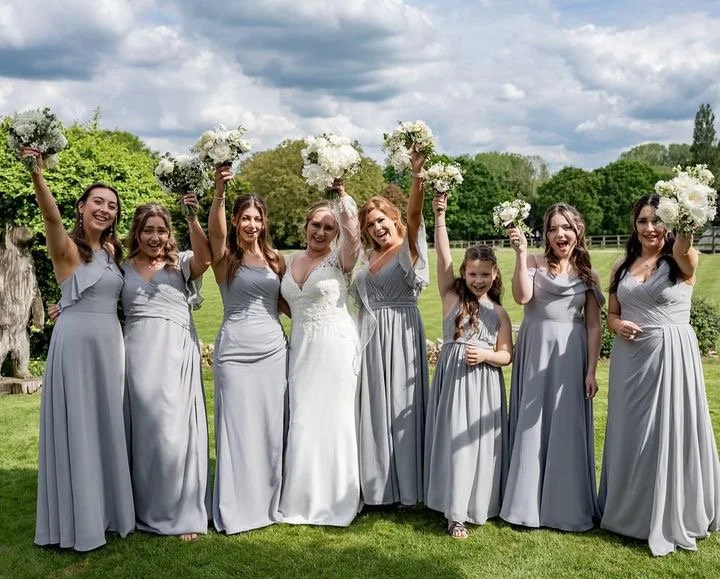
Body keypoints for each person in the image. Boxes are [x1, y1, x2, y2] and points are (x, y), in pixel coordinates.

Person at [23, 148, 135, 551]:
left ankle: (107, 511)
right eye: (98, 203)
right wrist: (38, 174)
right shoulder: (67, 248)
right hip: (76, 346)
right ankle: (79, 520)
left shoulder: (113, 253)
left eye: (112, 206)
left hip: (109, 345)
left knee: (106, 425)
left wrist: (64, 302)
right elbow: (50, 217)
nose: (105, 210)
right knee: (79, 426)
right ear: (81, 207)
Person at [599, 194, 720, 556]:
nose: (650, 228)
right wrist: (617, 324)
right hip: (629, 359)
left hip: (670, 355)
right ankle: (628, 513)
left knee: (670, 430)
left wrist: (687, 214)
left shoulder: (682, 258)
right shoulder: (622, 264)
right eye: (642, 221)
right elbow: (611, 314)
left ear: (669, 224)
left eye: (657, 220)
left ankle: (671, 511)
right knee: (630, 432)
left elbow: (683, 247)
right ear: (634, 225)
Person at [500, 203, 603, 532]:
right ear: (546, 234)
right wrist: (520, 254)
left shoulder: (588, 275)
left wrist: (590, 371)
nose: (561, 234)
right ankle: (525, 504)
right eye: (554, 228)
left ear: (578, 232)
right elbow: (521, 297)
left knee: (566, 425)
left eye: (568, 228)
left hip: (570, 356)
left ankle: (565, 506)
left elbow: (593, 326)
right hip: (535, 350)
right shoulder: (533, 262)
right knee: (531, 425)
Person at [121, 199, 212, 541]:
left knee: (175, 432)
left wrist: (191, 214)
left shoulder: (181, 263)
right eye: (148, 230)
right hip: (137, 357)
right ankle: (143, 507)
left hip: (176, 353)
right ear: (137, 233)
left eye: (161, 230)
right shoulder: (123, 268)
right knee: (145, 433)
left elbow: (207, 256)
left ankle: (182, 511)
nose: (155, 237)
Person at [424, 194, 512, 539]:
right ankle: (454, 513)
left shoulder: (500, 312)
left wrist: (487, 356)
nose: (478, 280)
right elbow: (443, 257)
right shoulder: (452, 297)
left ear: (494, 275)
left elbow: (506, 354)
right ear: (464, 272)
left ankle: (477, 503)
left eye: (485, 275)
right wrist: (440, 216)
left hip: (484, 385)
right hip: (453, 381)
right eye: (473, 274)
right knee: (453, 440)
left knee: (477, 443)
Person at [208, 166, 287, 534]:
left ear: (264, 221)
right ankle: (237, 506)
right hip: (235, 351)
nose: (251, 224)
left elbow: (289, 305)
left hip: (274, 350)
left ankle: (272, 500)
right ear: (236, 221)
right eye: (245, 218)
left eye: (257, 218)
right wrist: (220, 192)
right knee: (238, 428)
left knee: (270, 426)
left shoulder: (276, 261)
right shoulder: (224, 258)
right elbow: (216, 230)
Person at [279, 181, 362, 526]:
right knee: (303, 418)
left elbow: (354, 235)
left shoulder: (341, 259)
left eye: (329, 227)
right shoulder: (288, 260)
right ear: (306, 226)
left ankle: (338, 498)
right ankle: (299, 498)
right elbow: (286, 302)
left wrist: (341, 196)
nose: (322, 231)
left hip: (335, 346)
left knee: (334, 418)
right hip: (302, 346)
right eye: (316, 224)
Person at [352, 149, 429, 508]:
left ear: (394, 218)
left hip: (401, 331)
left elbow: (416, 214)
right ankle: (378, 488)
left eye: (381, 220)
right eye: (370, 224)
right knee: (374, 406)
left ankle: (408, 490)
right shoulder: (369, 257)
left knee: (402, 404)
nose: (377, 228)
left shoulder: (407, 248)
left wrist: (417, 175)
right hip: (372, 334)